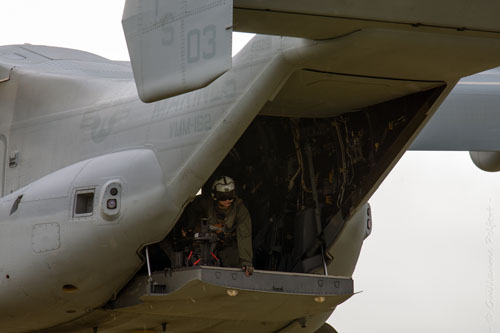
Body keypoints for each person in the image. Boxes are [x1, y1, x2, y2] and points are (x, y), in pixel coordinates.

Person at [185, 176, 254, 276]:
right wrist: (189, 227)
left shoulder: (240, 210)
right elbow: (192, 209)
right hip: (206, 245)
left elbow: (244, 236)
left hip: (228, 246)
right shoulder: (205, 203)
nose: (228, 200)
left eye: (231, 196)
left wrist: (246, 262)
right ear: (215, 196)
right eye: (223, 196)